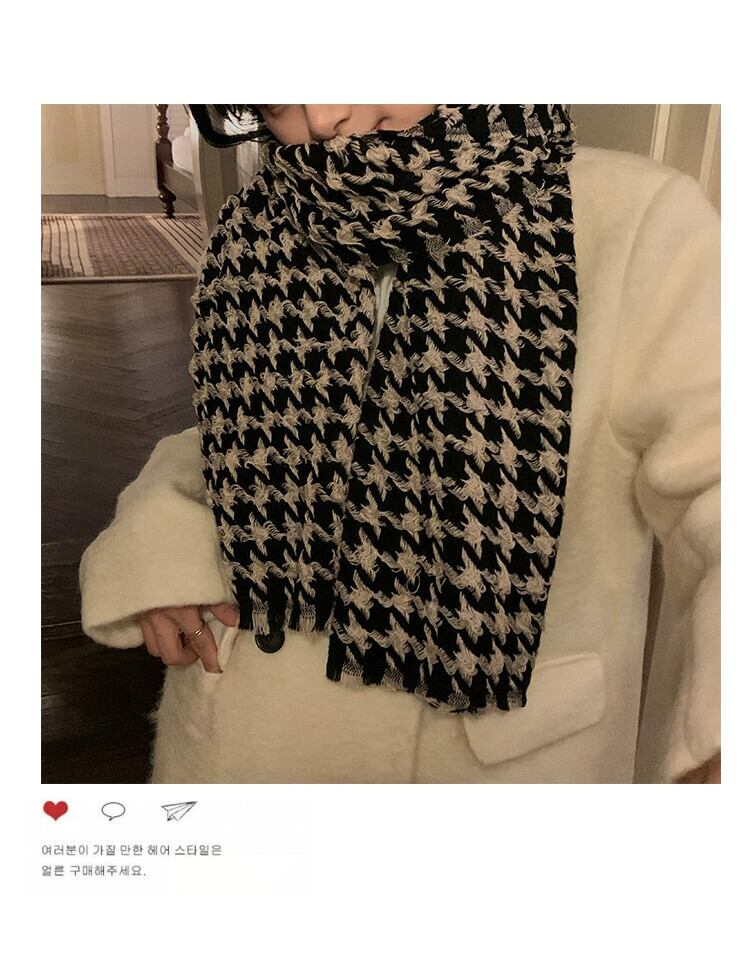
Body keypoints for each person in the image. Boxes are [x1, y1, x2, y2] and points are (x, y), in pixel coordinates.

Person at [79, 104, 720, 783]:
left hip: (478, 762)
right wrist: (166, 555)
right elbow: (231, 434)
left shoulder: (632, 219)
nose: (325, 117)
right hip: (246, 731)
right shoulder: (258, 223)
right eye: (276, 97)